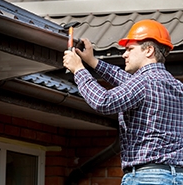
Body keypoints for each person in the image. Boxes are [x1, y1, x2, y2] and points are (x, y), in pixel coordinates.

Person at [63, 19, 183, 184]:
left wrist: (79, 69)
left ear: (149, 50)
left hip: (147, 178)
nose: (124, 54)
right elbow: (126, 81)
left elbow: (103, 101)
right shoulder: (176, 86)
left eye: (129, 49)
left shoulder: (144, 82)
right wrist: (92, 62)